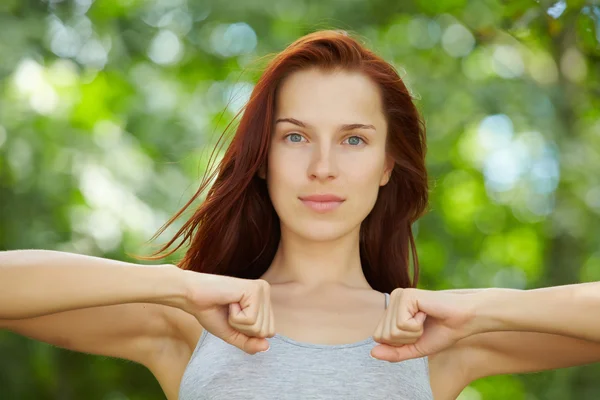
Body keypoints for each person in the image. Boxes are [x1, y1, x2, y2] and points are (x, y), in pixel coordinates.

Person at [0, 29, 598, 400]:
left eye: (355, 140)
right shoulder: (193, 321)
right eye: (294, 137)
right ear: (262, 159)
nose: (322, 166)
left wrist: (480, 309)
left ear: (389, 165)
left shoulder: (435, 340)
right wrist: (177, 286)